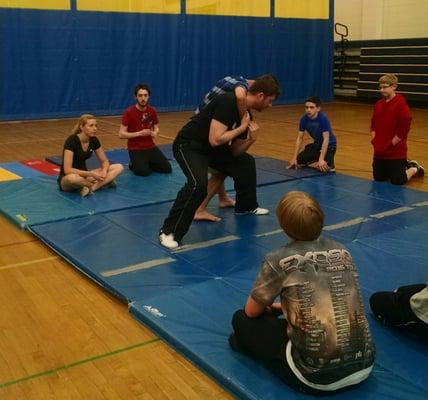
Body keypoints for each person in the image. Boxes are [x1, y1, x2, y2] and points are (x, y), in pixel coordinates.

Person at [230, 191, 376, 395]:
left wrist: (271, 310)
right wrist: (284, 308)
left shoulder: (278, 258)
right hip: (365, 365)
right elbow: (332, 302)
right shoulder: (342, 251)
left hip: (316, 376)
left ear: (283, 225)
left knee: (240, 320)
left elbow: (251, 312)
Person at [159, 75, 281, 249]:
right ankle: (169, 231)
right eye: (270, 101)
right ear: (260, 96)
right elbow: (215, 139)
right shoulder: (229, 102)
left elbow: (234, 152)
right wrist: (240, 128)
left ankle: (246, 206)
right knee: (197, 184)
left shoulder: (246, 115)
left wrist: (250, 140)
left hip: (212, 150)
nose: (270, 105)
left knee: (245, 162)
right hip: (189, 146)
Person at [194, 75, 256, 222]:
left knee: (224, 160)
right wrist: (242, 124)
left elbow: (207, 98)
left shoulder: (231, 82)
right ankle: (198, 209)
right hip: (200, 137)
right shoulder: (240, 88)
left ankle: (223, 198)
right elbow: (241, 96)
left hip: (202, 129)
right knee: (223, 167)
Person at [370, 73, 424, 185]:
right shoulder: (378, 104)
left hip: (395, 150)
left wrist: (392, 143)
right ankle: (398, 167)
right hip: (380, 150)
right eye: (380, 87)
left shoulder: (401, 105)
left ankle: (414, 168)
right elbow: (373, 123)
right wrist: (375, 137)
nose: (381, 90)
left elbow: (404, 127)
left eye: (385, 87)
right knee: (379, 178)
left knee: (398, 180)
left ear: (394, 86)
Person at [58, 114, 124, 197]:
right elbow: (67, 170)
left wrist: (104, 171)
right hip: (68, 178)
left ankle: (92, 188)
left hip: (86, 176)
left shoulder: (94, 140)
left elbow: (104, 161)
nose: (95, 128)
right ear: (82, 127)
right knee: (73, 178)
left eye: (96, 126)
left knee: (118, 167)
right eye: (91, 126)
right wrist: (92, 174)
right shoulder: (71, 141)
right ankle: (103, 183)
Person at [119, 83, 172, 176]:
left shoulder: (152, 111)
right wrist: (139, 133)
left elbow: (156, 126)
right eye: (140, 95)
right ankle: (133, 164)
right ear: (135, 97)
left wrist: (155, 132)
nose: (143, 98)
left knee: (167, 169)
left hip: (150, 146)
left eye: (145, 95)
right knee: (144, 173)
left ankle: (143, 163)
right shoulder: (129, 112)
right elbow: (121, 134)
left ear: (149, 96)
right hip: (135, 148)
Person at [288, 97, 336, 173]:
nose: (308, 110)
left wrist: (321, 159)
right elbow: (300, 138)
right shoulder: (304, 119)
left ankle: (329, 163)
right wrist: (294, 158)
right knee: (299, 162)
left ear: (318, 109)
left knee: (325, 169)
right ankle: (314, 157)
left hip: (329, 146)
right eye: (306, 107)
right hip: (317, 145)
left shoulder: (323, 118)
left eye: (312, 107)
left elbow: (326, 139)